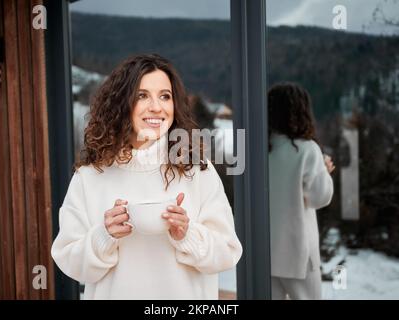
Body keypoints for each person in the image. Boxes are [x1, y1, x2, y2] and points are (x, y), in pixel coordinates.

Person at [51, 54, 242, 300]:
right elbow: (68, 260)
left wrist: (188, 234)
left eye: (165, 96)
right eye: (142, 96)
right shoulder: (90, 175)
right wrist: (104, 236)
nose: (156, 106)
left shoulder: (197, 170)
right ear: (121, 104)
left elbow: (227, 251)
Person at [268, 82, 335, 300]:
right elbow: (319, 197)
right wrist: (324, 171)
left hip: (265, 251)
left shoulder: (259, 148)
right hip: (299, 255)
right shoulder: (307, 150)